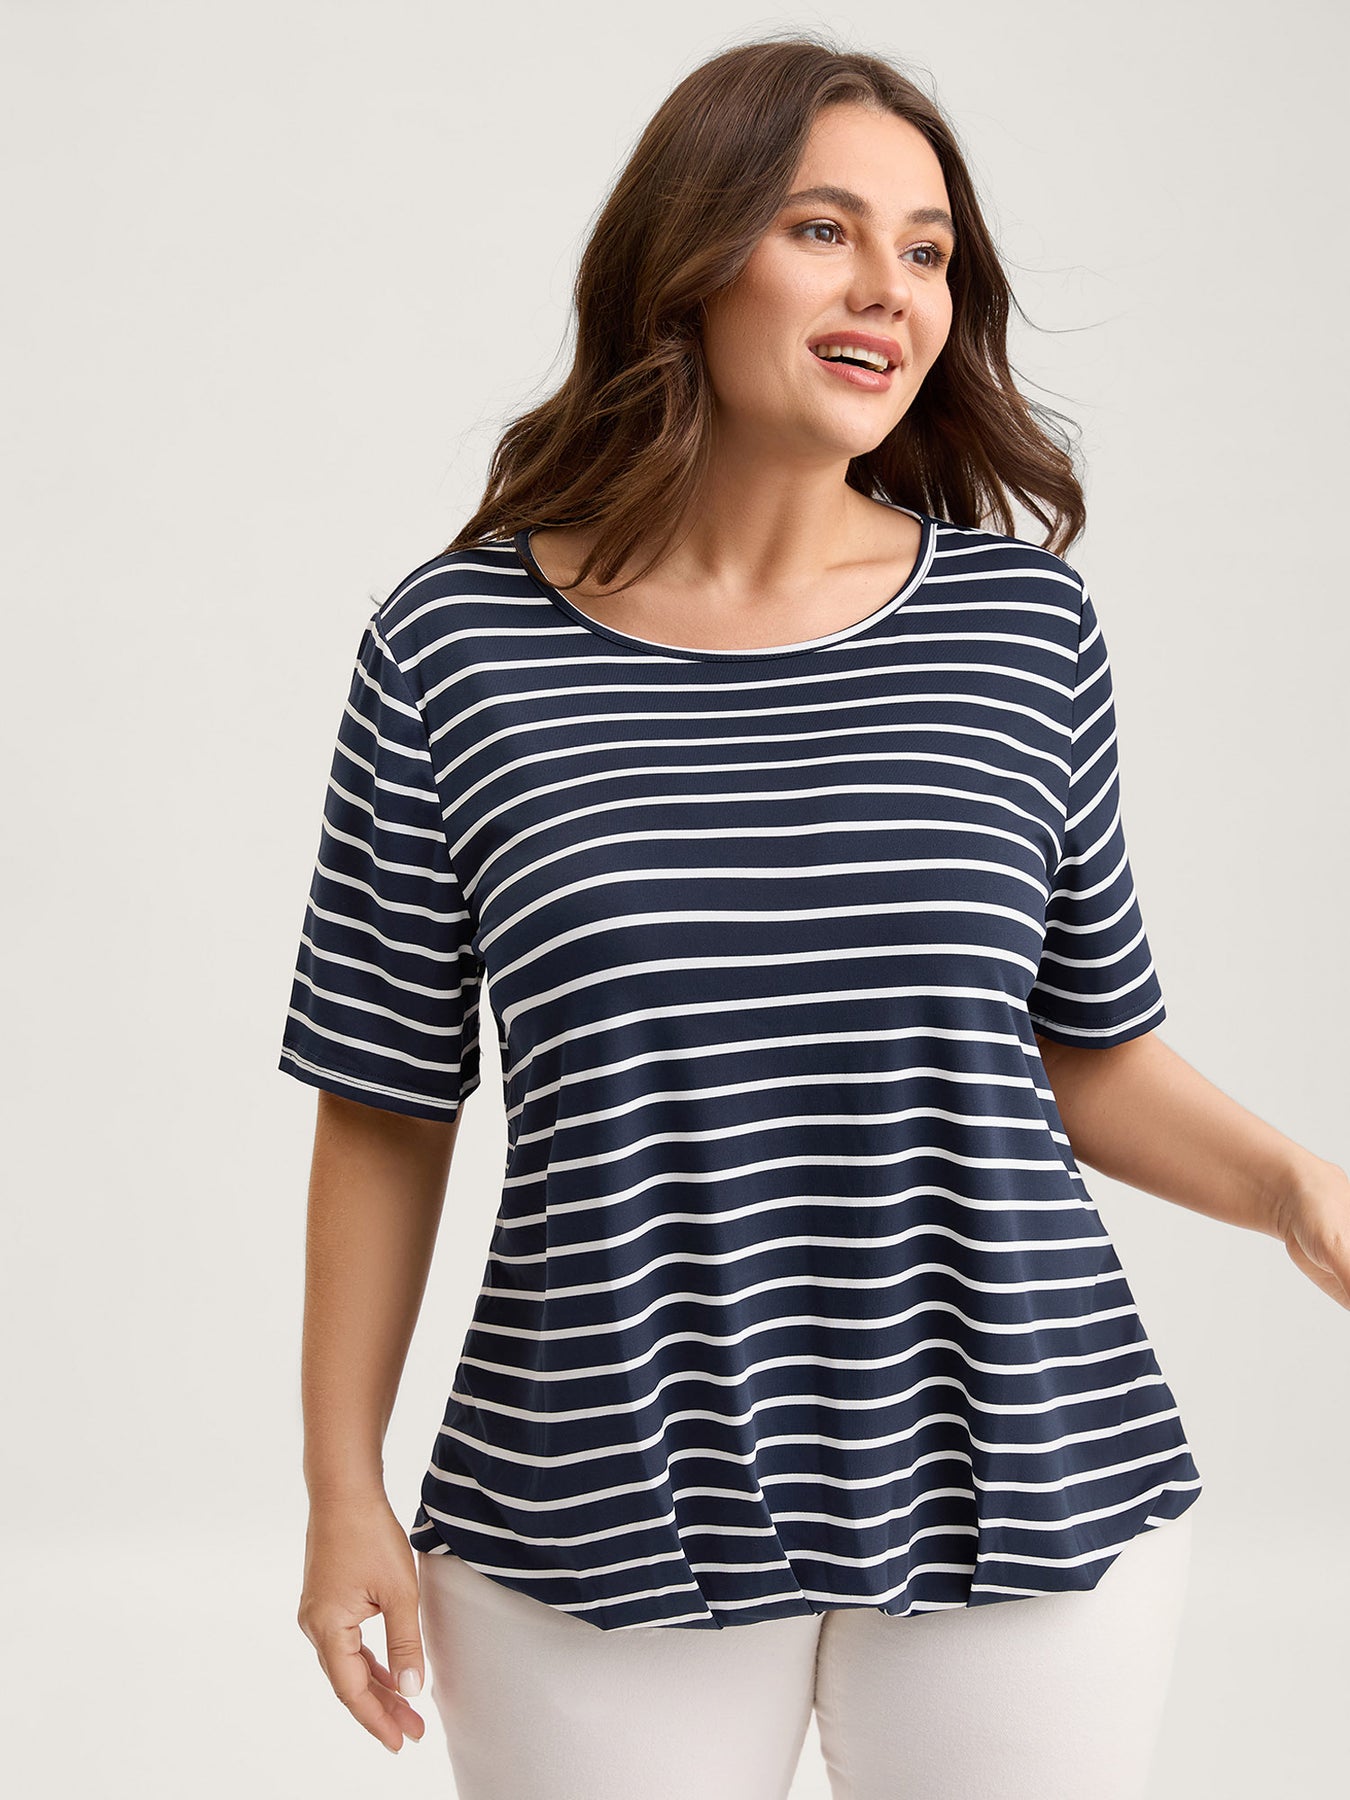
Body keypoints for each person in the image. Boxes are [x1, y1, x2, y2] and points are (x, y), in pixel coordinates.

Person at [280, 33, 1350, 1800]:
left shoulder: (1019, 633)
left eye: (927, 251)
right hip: (593, 1492)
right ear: (687, 260)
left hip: (1020, 1464)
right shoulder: (452, 649)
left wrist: (1297, 1189)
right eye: (824, 229)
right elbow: (385, 1100)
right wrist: (342, 1493)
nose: (889, 290)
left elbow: (1079, 1051)